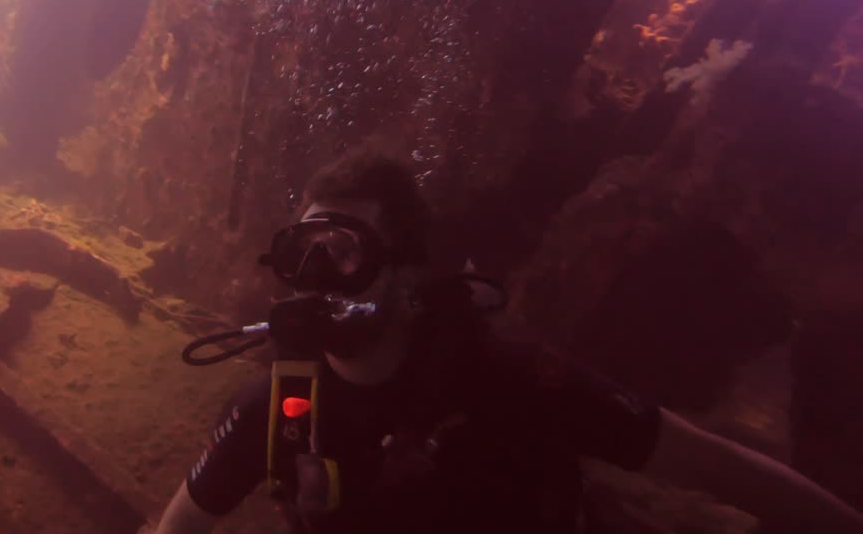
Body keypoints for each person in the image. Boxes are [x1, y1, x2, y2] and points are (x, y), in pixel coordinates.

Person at [151, 148, 863, 534]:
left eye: (341, 250)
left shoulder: (509, 379)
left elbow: (721, 469)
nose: (313, 277)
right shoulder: (274, 412)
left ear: (402, 270)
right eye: (299, 250)